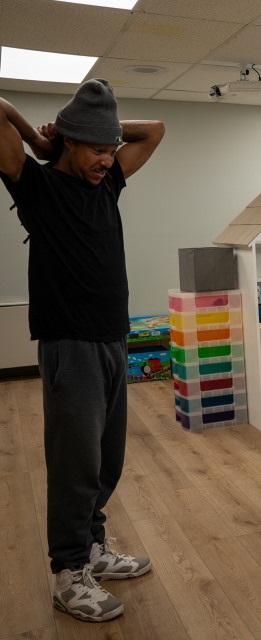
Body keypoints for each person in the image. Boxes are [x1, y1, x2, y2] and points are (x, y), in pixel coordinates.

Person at [0, 80, 165, 622]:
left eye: (110, 147)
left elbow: (156, 131)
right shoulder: (35, 186)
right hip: (69, 345)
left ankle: (93, 547)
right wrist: (39, 140)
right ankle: (68, 572)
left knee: (106, 461)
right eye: (95, 148)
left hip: (114, 338)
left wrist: (98, 136)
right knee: (76, 464)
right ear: (69, 143)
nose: (106, 158)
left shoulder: (108, 183)